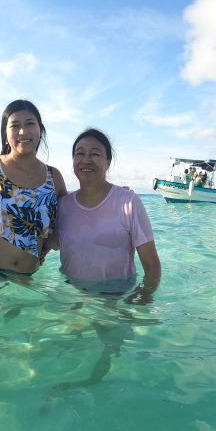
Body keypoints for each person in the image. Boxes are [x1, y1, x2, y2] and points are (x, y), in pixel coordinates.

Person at [0, 100, 67, 274]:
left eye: (30, 124)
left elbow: (75, 217)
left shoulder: (54, 177)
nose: (23, 131)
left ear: (41, 129)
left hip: (24, 281)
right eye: (15, 125)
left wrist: (110, 194)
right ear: (5, 133)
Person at [55, 128, 161, 304]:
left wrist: (139, 301)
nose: (86, 160)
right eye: (79, 153)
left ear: (108, 162)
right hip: (72, 296)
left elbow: (152, 267)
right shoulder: (62, 206)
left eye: (95, 154)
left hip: (115, 298)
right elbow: (45, 245)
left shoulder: (128, 203)